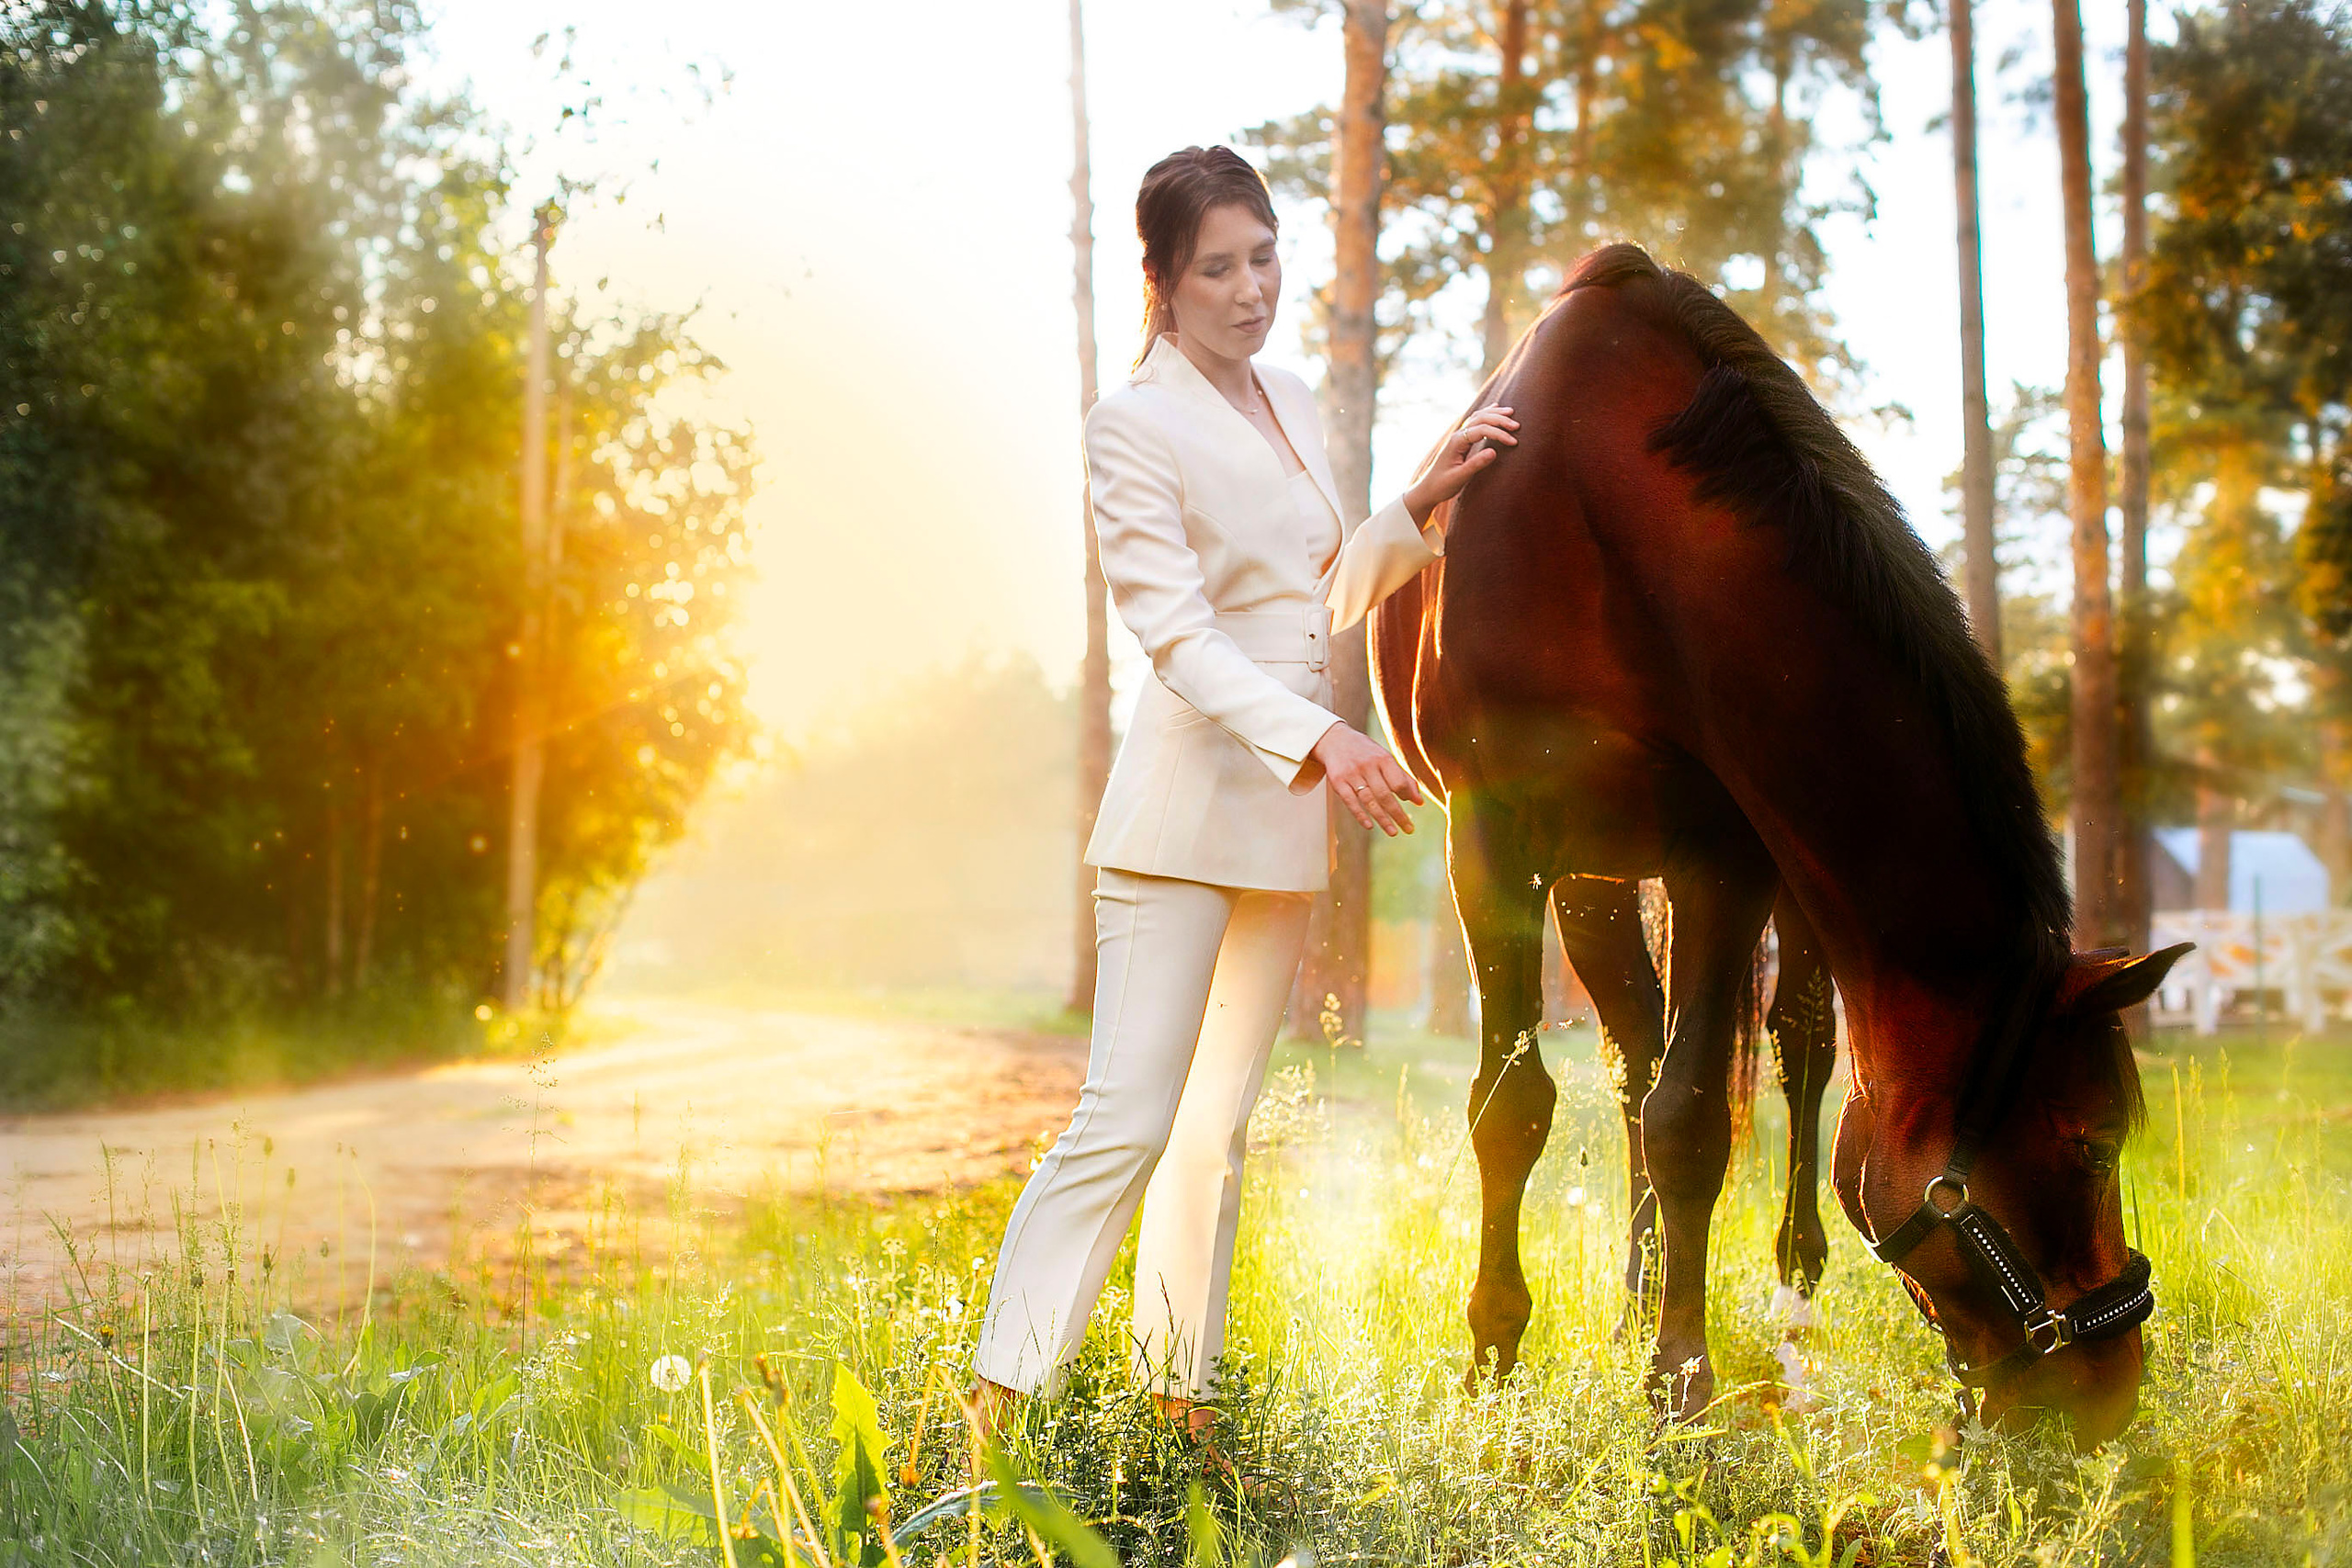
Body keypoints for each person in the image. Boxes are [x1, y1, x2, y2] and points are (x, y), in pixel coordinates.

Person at [969, 144, 1517, 1440]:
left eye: (1263, 255)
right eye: (1217, 266)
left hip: (1277, 825)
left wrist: (1416, 509)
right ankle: (997, 1401)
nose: (1249, 287)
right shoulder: (1131, 425)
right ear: (1161, 281)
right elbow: (1180, 633)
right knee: (1130, 1118)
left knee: (1215, 1130)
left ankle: (1185, 1400)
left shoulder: (1288, 400)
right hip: (1178, 816)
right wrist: (1328, 742)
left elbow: (1308, 591)